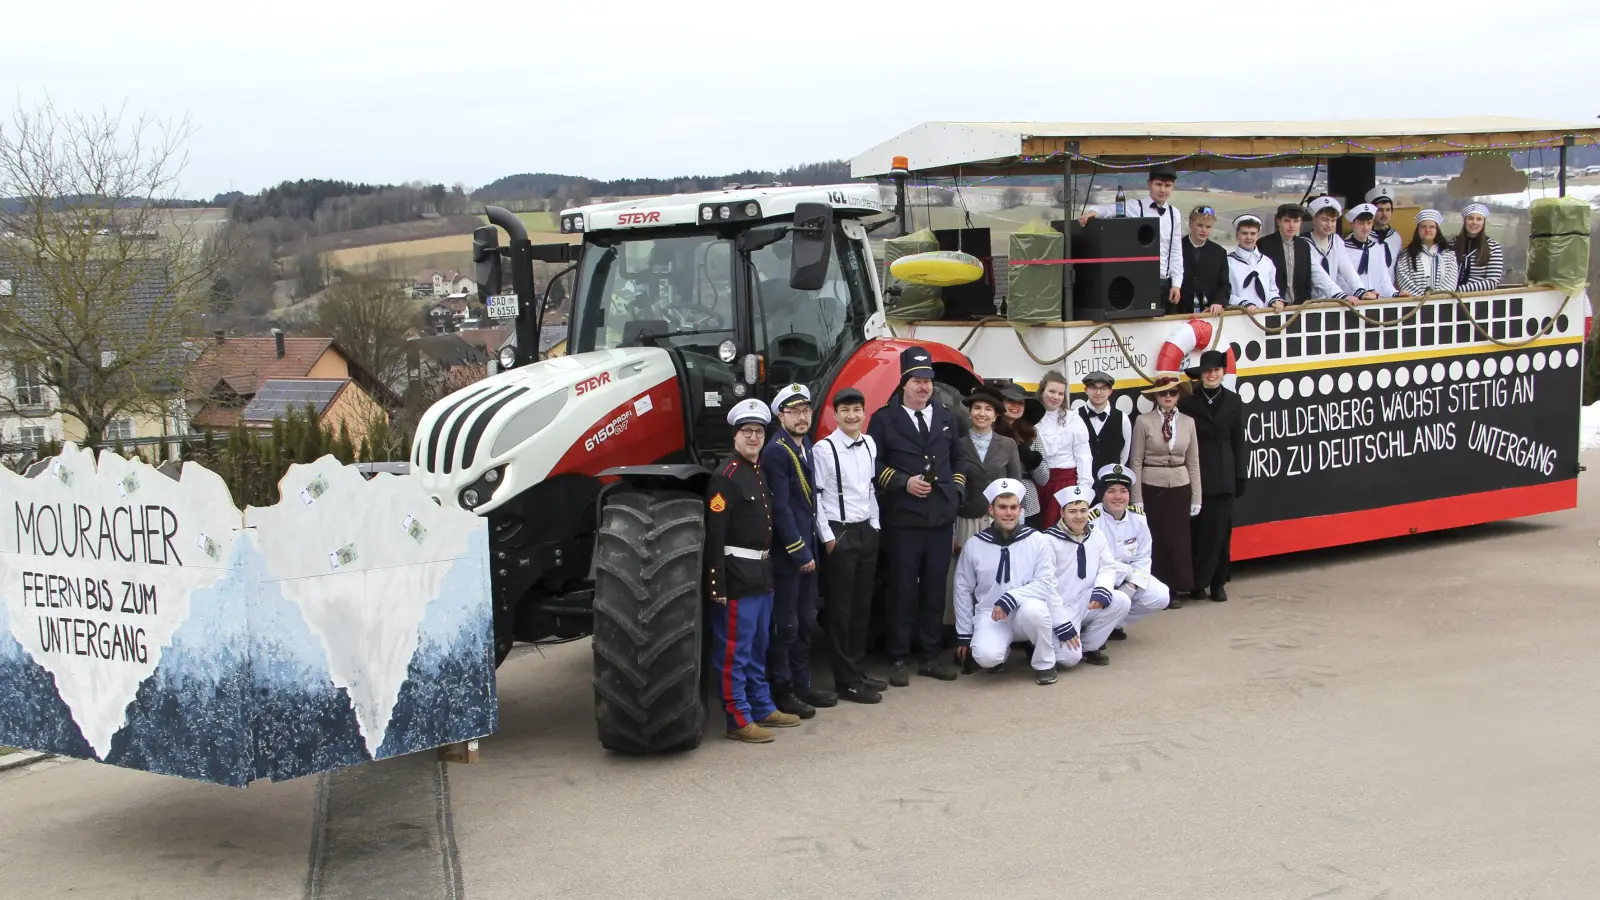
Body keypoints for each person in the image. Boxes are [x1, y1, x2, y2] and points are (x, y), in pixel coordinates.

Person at [867, 345, 966, 686]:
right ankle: (898, 657)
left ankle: (929, 656)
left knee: (935, 591)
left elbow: (958, 458)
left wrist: (955, 490)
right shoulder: (884, 419)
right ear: (903, 383)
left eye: (928, 381)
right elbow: (873, 465)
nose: (923, 387)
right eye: (917, 381)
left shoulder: (945, 417)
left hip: (939, 519)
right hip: (903, 520)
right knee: (902, 590)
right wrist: (902, 482)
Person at [704, 399, 802, 743]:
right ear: (735, 436)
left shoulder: (757, 471)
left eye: (759, 431)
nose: (753, 437)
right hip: (736, 577)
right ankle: (738, 717)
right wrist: (717, 583)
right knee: (734, 651)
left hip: (761, 574)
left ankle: (761, 706)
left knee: (759, 646)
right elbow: (715, 536)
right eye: (746, 431)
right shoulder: (725, 477)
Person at [760, 383, 835, 718]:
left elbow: (811, 505)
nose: (802, 417)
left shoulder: (804, 448)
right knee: (786, 624)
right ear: (781, 416)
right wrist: (800, 552)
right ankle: (782, 689)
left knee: (805, 621)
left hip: (807, 551)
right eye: (794, 412)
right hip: (791, 556)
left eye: (806, 411)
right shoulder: (777, 451)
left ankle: (802, 684)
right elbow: (781, 508)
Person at [952, 479, 1067, 685]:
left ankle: (1044, 663)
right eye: (1002, 507)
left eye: (1013, 507)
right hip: (991, 613)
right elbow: (962, 590)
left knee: (1036, 611)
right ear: (991, 510)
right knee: (986, 658)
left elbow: (1045, 583)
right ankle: (1001, 652)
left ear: (1021, 509)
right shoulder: (974, 545)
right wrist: (964, 634)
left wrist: (1011, 598)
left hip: (1026, 610)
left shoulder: (1037, 540)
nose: (1008, 513)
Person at [813, 387, 887, 705]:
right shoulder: (823, 449)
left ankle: (857, 670)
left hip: (865, 531)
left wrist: (875, 526)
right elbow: (815, 498)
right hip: (839, 534)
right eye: (845, 410)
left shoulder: (869, 442)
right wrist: (827, 538)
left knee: (861, 607)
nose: (852, 415)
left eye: (857, 409)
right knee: (840, 611)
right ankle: (845, 681)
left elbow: (870, 488)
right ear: (835, 414)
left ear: (864, 412)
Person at [1178, 350, 1247, 603]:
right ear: (1201, 374)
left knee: (1220, 533)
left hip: (1224, 476)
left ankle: (1218, 582)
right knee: (1196, 532)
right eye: (1208, 371)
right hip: (1195, 475)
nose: (1212, 374)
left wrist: (1240, 476)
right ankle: (1197, 583)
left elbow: (1239, 441)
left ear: (1223, 372)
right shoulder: (1187, 402)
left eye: (1217, 370)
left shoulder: (1234, 401)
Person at [1043, 483, 1132, 667]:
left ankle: (1089, 646)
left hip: (1085, 599)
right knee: (1068, 660)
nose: (1079, 516)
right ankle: (1043, 643)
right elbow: (1046, 584)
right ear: (1062, 513)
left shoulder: (1096, 534)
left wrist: (1102, 589)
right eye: (1073, 511)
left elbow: (1107, 567)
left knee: (1121, 601)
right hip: (1060, 606)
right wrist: (1061, 621)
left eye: (1083, 510)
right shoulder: (1048, 540)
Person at [1129, 375, 1201, 600]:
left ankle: (1178, 585)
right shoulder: (1143, 421)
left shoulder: (1188, 422)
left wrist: (1197, 497)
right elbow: (1136, 461)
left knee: (1178, 539)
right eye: (1163, 393)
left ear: (1179, 395)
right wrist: (1136, 496)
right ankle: (1159, 589)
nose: (1168, 397)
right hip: (1153, 485)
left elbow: (1193, 461)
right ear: (1156, 397)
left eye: (1172, 392)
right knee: (1157, 538)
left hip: (1180, 485)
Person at [1078, 163, 1184, 305]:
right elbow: (1109, 210)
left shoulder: (1174, 213)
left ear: (1173, 187)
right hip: (1141, 280)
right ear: (1149, 184)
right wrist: (1094, 212)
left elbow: (1176, 250)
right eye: (1159, 184)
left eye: (1168, 186)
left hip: (1165, 282)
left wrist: (1176, 283)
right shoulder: (1136, 206)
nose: (1163, 190)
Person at [1090, 465, 1171, 639]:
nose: (1118, 496)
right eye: (1111, 491)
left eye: (1123, 491)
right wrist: (1126, 572)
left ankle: (1113, 624)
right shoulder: (1091, 520)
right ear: (1101, 494)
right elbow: (1094, 563)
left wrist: (1132, 585)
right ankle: (1093, 627)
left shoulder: (1138, 518)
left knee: (1160, 596)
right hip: (1097, 580)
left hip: (1129, 579)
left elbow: (1143, 557)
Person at [956, 385, 1023, 547]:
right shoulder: (957, 445)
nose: (982, 413)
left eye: (988, 409)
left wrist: (1019, 520)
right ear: (970, 413)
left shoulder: (1008, 445)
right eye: (977, 408)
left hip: (1000, 519)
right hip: (967, 518)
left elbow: (1017, 484)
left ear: (995, 416)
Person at [1034, 370, 1093, 529]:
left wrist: (1084, 487)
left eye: (1060, 393)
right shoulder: (1031, 417)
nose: (1056, 397)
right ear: (1042, 391)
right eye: (1052, 391)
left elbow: (1083, 455)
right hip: (1038, 483)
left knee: (1062, 530)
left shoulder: (1073, 418)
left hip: (1066, 482)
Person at [995, 383, 1050, 528]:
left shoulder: (1032, 433)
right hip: (996, 498)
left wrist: (1030, 458)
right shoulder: (989, 430)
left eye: (1020, 403)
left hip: (1028, 501)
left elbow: (1044, 478)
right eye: (1010, 401)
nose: (1016, 406)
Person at [1078, 370, 1130, 502]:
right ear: (1085, 390)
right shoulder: (1075, 417)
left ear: (1110, 391)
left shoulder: (1122, 418)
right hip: (1083, 485)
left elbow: (1124, 454)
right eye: (1093, 388)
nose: (1098, 392)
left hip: (1112, 486)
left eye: (1103, 388)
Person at [1340, 204, 1405, 299]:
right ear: (1352, 224)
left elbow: (1384, 282)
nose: (1365, 227)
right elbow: (1340, 280)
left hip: (1375, 302)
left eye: (1369, 223)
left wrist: (1395, 294)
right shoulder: (1342, 248)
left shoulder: (1378, 248)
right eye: (1361, 223)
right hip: (1352, 303)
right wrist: (1361, 294)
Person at [1257, 203, 1315, 307]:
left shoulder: (1304, 246)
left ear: (1301, 222)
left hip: (1299, 306)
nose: (1292, 226)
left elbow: (1307, 279)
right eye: (1287, 221)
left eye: (1296, 221)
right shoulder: (1264, 244)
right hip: (1274, 307)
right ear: (1278, 221)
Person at [1302, 196, 1357, 301]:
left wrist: (1361, 290)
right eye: (1325, 220)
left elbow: (1347, 268)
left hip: (1333, 301)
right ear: (1314, 219)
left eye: (1333, 220)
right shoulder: (1303, 243)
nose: (1329, 224)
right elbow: (1318, 275)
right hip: (1310, 303)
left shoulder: (1337, 241)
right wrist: (1340, 296)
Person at [1394, 209, 1459, 296]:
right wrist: (1423, 299)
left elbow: (1451, 280)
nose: (1427, 230)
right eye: (1423, 227)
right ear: (1418, 230)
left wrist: (1437, 298)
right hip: (1416, 303)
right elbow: (1403, 279)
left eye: (1431, 227)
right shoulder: (1406, 255)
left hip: (1442, 303)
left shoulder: (1448, 254)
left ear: (1437, 230)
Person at [1180, 205, 1231, 313]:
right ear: (1190, 224)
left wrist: (1219, 302)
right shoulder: (1177, 248)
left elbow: (1224, 284)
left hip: (1209, 311)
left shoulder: (1219, 252)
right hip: (1180, 311)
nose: (1204, 230)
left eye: (1208, 227)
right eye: (1200, 225)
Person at [1225, 215, 1282, 309]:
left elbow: (1272, 289)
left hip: (1264, 315)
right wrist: (1243, 303)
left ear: (1258, 236)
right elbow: (1225, 294)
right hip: (1238, 316)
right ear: (1237, 235)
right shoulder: (1228, 263)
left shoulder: (1267, 262)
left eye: (1252, 233)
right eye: (1244, 233)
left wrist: (1275, 300)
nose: (1248, 237)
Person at [1456, 203, 1505, 292]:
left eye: (1479, 219)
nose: (1474, 222)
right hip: (1448, 296)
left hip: (1477, 298)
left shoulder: (1493, 247)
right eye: (1470, 218)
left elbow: (1492, 281)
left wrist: (1460, 290)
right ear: (1465, 221)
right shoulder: (1453, 244)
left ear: (1483, 222)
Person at [1366, 186, 1405, 275]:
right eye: (1380, 210)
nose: (1384, 214)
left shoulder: (1396, 237)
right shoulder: (1361, 236)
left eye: (1388, 210)